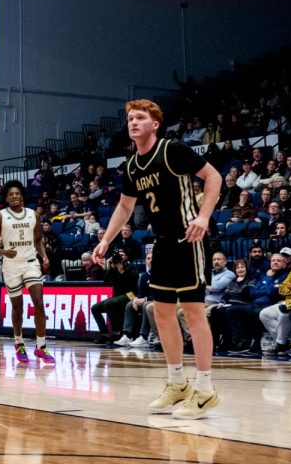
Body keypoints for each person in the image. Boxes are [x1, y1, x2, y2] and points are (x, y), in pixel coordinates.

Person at [94, 99, 222, 420]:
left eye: (140, 118)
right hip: (162, 244)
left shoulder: (172, 150)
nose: (133, 123)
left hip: (188, 239)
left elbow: (214, 178)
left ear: (155, 124)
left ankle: (205, 389)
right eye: (129, 119)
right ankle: (177, 382)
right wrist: (106, 240)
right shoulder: (133, 165)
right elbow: (125, 208)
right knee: (161, 313)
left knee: (193, 312)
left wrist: (204, 217)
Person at [0, 180, 54, 364]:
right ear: (7, 198)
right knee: (18, 307)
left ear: (22, 195)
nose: (15, 196)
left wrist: (44, 255)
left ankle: (41, 346)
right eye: (11, 194)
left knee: (39, 302)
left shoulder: (34, 214)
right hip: (11, 265)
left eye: (17, 193)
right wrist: (3, 252)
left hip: (31, 262)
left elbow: (38, 238)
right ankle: (19, 342)